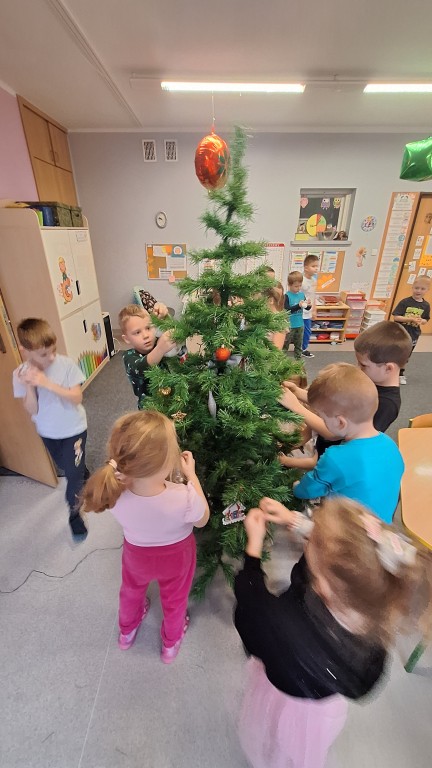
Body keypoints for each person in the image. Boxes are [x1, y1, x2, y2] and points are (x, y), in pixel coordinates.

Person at [234, 496, 426, 768]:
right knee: (301, 752)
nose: (309, 537)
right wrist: (293, 519)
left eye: (312, 540)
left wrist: (253, 552)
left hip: (282, 700)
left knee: (273, 743)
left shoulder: (279, 623)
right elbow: (341, 563)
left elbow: (250, 610)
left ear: (321, 585)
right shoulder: (375, 626)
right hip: (322, 712)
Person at [81, 410, 209, 662]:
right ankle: (170, 645)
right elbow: (203, 519)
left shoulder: (115, 494)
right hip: (177, 558)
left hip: (137, 555)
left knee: (131, 591)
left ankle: (126, 632)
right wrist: (192, 476)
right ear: (166, 464)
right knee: (175, 599)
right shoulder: (184, 496)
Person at [280, 320, 412, 458]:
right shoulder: (368, 381)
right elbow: (335, 404)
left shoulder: (386, 404)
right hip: (324, 450)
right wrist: (297, 392)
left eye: (363, 365)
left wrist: (297, 407)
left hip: (338, 461)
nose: (358, 368)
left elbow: (335, 432)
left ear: (388, 368)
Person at [291, 364, 404, 523]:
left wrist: (296, 487)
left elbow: (309, 488)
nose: (322, 421)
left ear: (340, 422)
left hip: (348, 532)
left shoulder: (335, 457)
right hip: (383, 529)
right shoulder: (391, 446)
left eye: (323, 418)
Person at [12, 318, 89, 538]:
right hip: (48, 432)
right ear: (24, 350)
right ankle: (82, 469)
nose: (51, 357)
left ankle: (74, 515)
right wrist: (28, 385)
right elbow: (32, 410)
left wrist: (46, 383)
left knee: (72, 479)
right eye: (44, 354)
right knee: (67, 465)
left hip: (74, 429)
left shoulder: (65, 365)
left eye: (53, 351)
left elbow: (76, 398)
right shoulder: (19, 374)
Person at [119, 304, 177, 409]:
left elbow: (172, 333)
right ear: (126, 339)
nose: (146, 335)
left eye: (148, 328)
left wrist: (164, 315)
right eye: (137, 332)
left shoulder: (157, 344)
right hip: (149, 409)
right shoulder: (128, 357)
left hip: (171, 401)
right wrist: (160, 348)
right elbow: (142, 367)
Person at [392, 275, 431, 384]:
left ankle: (400, 374)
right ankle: (390, 371)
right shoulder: (405, 302)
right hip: (400, 332)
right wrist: (410, 319)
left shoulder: (426, 305)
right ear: (412, 287)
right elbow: (396, 317)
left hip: (413, 333)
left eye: (422, 289)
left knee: (406, 354)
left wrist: (420, 321)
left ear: (427, 290)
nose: (419, 291)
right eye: (416, 288)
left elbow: (426, 319)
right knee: (395, 352)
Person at [283, 271, 311, 359]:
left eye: (300, 286)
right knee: (285, 345)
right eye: (296, 286)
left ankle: (298, 361)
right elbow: (287, 310)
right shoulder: (287, 296)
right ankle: (282, 361)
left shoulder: (302, 295)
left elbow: (307, 308)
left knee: (299, 345)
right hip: (289, 326)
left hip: (300, 325)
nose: (298, 288)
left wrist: (308, 305)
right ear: (289, 285)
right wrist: (298, 306)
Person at [300, 253, 320, 358]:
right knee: (297, 331)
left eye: (317, 266)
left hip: (308, 312)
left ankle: (303, 349)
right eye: (313, 266)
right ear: (306, 268)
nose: (316, 269)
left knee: (307, 331)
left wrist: (314, 310)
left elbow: (313, 296)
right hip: (300, 311)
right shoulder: (301, 280)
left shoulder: (314, 280)